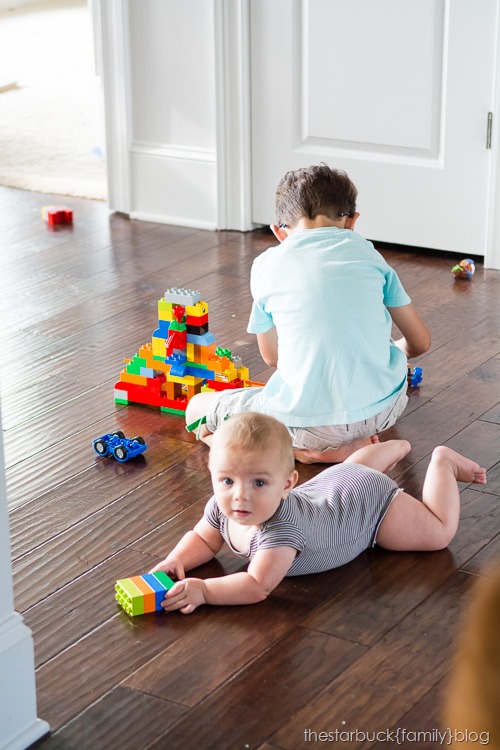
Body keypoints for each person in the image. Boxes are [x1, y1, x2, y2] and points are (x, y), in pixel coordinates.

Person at [185, 163, 431, 463]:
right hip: (385, 409)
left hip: (306, 426)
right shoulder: (370, 255)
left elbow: (272, 358)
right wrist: (394, 351)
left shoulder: (267, 266)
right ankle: (344, 446)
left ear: (279, 232)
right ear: (352, 221)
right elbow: (420, 343)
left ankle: (300, 452)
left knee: (196, 407)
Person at [150, 412, 486, 615]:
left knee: (438, 534)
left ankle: (443, 462)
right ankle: (390, 449)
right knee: (350, 473)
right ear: (213, 475)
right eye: (226, 480)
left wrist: (206, 591)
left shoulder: (280, 532)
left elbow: (256, 585)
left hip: (367, 508)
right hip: (335, 482)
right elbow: (202, 539)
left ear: (287, 484)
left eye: (259, 483)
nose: (240, 495)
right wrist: (177, 560)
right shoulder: (221, 506)